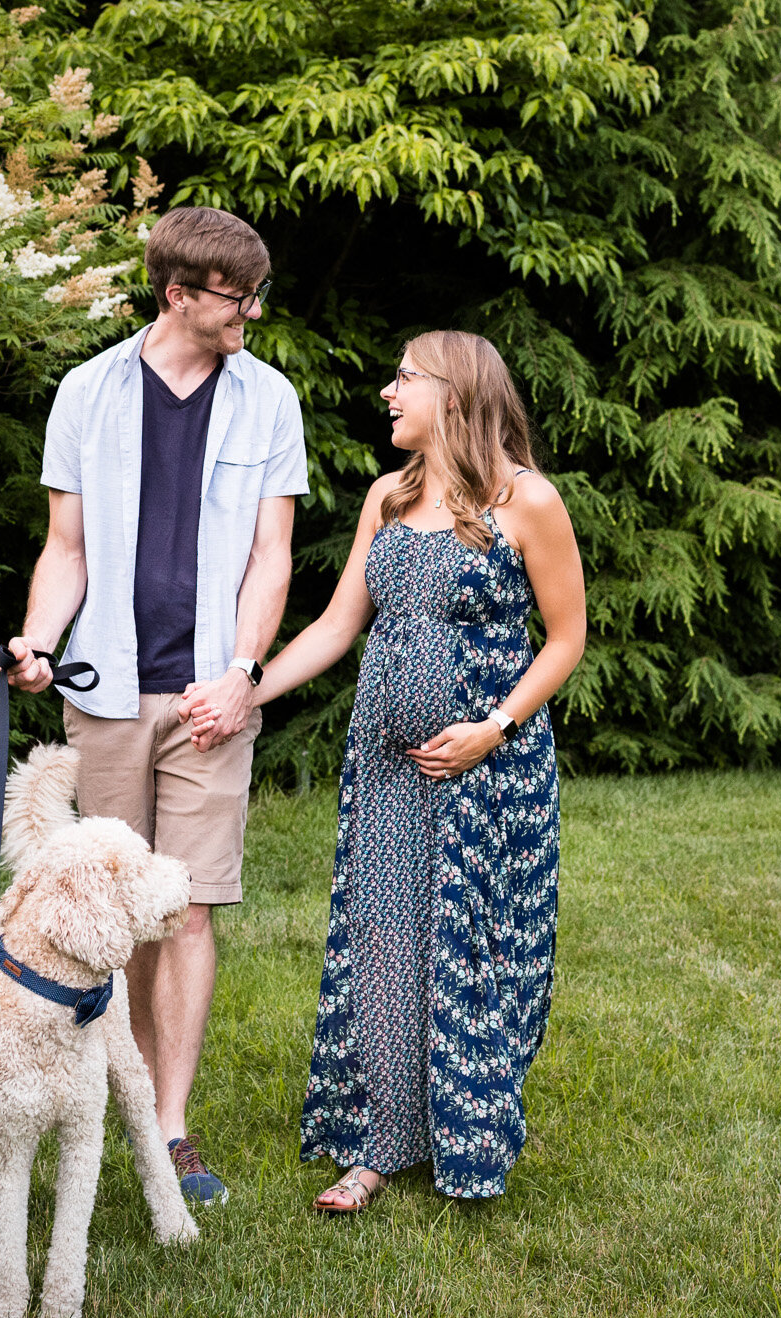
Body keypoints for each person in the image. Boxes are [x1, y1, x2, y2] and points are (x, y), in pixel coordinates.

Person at [187, 330, 585, 1210]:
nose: (388, 392)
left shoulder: (527, 500)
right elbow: (336, 627)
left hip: (489, 770)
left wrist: (493, 727)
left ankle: (469, 1137)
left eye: (405, 377)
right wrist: (246, 688)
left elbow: (567, 639)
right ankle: (376, 1145)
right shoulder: (387, 497)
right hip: (385, 763)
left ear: (455, 391)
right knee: (384, 944)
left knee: (477, 953)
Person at [5, 205, 308, 1206]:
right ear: (179, 294)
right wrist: (37, 641)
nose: (249, 312)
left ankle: (168, 1128)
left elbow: (271, 556)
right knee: (103, 911)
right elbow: (67, 549)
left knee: (182, 911)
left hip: (208, 697)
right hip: (105, 688)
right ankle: (103, 1099)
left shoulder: (268, 400)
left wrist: (241, 670)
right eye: (235, 298)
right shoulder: (86, 391)